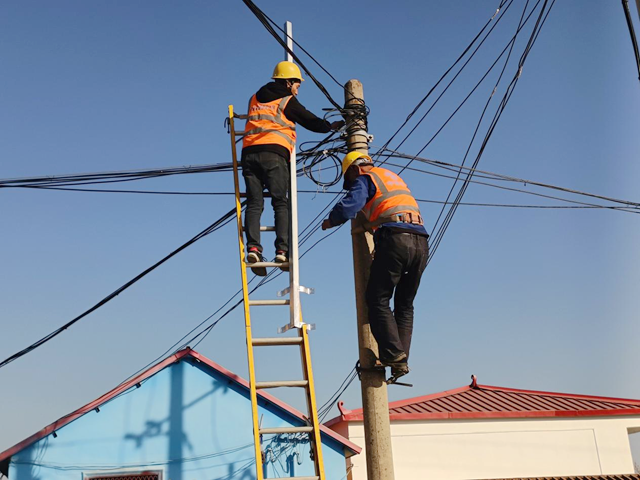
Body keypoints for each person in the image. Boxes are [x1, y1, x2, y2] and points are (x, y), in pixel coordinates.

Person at [321, 151, 428, 379]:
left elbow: (351, 205)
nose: (351, 185)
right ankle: (400, 360)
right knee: (405, 305)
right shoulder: (390, 176)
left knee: (377, 299)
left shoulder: (365, 179)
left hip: (396, 239)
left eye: (349, 180)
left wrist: (331, 220)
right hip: (420, 242)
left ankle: (394, 355)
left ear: (355, 169)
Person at [242, 61, 344, 275]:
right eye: (297, 84)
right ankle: (282, 250)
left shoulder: (254, 97)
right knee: (280, 203)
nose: (298, 88)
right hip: (274, 155)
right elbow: (310, 120)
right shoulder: (287, 100)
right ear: (288, 82)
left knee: (254, 203)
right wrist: (330, 127)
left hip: (249, 154)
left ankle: (252, 248)